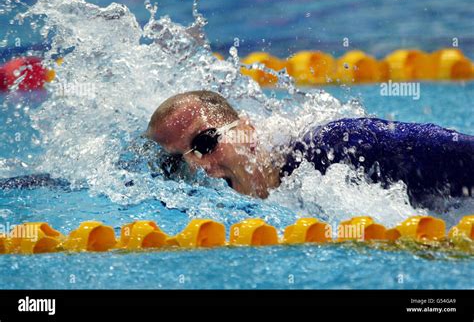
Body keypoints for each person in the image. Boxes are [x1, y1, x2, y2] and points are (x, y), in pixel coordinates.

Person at [146, 90, 474, 205]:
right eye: (178, 162)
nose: (197, 168)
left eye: (205, 142)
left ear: (246, 130)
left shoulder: (338, 148)